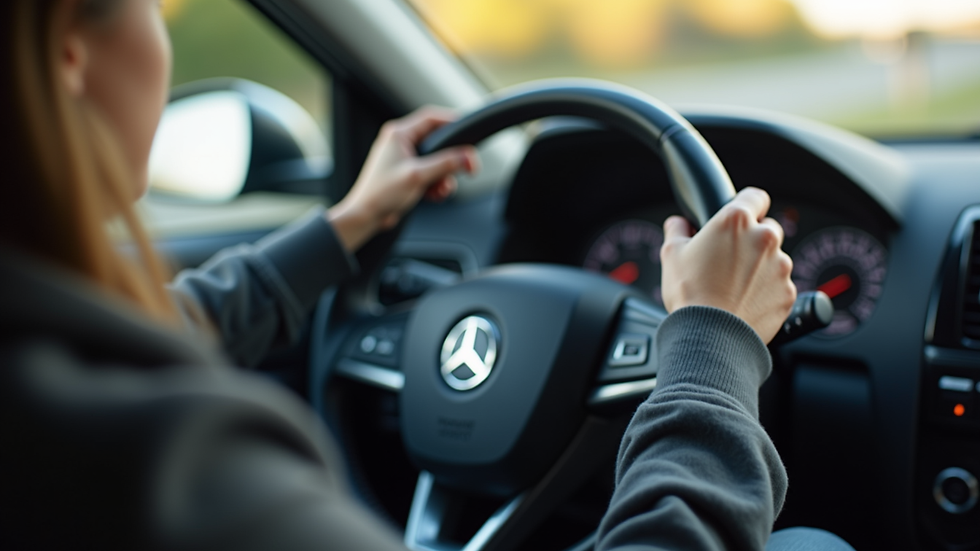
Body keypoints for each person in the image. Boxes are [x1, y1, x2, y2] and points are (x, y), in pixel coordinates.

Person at [0, 0, 855, 550]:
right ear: (70, 50)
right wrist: (712, 343)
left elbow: (164, 323)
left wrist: (348, 223)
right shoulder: (169, 466)